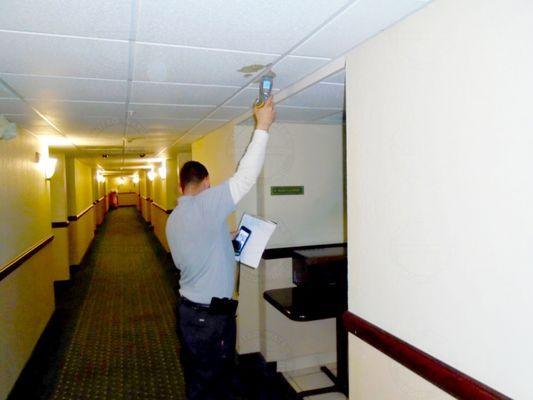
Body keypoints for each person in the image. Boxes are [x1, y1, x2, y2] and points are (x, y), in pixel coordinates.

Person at [166, 97, 276, 399]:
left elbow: (191, 253)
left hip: (188, 313)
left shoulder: (174, 219)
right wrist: (262, 126)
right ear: (208, 182)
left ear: (180, 186)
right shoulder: (206, 204)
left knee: (198, 379)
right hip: (211, 319)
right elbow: (245, 176)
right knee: (218, 384)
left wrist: (225, 238)